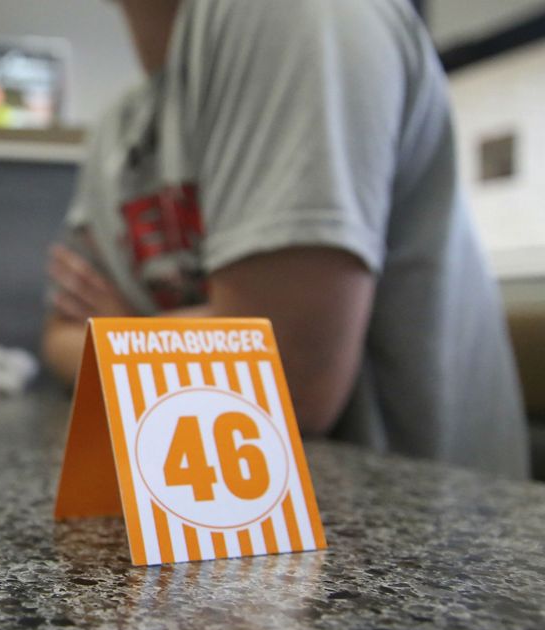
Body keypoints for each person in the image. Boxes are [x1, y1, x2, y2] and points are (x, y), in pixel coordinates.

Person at [44, 0, 530, 478]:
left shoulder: (297, 12)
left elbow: (284, 380)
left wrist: (124, 335)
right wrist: (177, 343)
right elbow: (58, 335)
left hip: (419, 533)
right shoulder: (117, 129)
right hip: (223, 504)